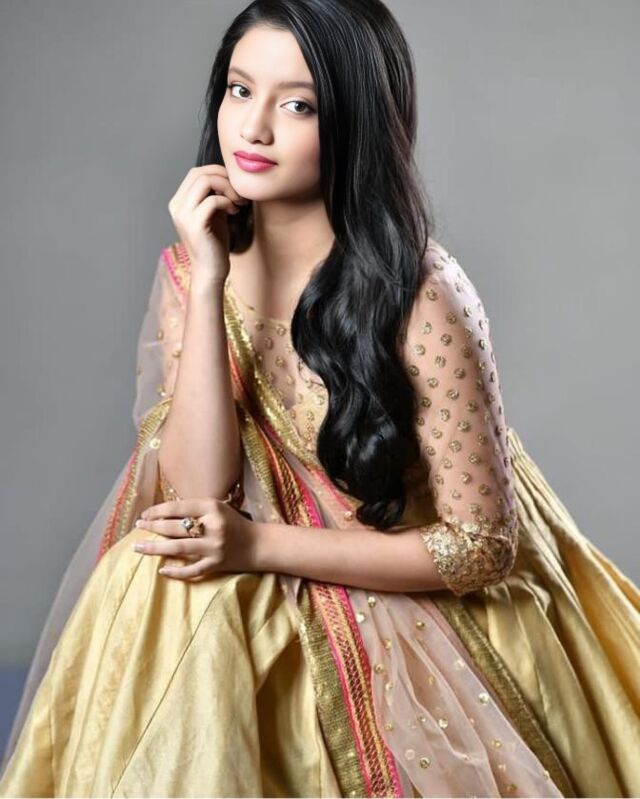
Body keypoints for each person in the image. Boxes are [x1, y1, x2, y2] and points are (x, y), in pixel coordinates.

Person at [1, 1, 638, 796]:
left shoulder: (422, 296)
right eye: (240, 90)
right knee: (158, 575)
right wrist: (208, 281)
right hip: (254, 566)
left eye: (297, 105)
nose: (253, 128)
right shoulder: (195, 267)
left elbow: (481, 547)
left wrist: (260, 546)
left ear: (353, 124)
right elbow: (198, 494)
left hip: (414, 592)